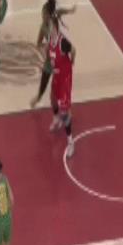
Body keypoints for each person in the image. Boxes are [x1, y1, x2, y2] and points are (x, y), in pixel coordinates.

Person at [30, 0, 75, 108]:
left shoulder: (54, 19)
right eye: (42, 14)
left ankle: (61, 101)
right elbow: (38, 43)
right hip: (50, 57)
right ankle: (39, 97)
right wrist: (45, 46)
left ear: (48, 14)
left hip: (59, 54)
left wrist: (70, 10)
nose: (42, 16)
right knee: (45, 79)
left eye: (44, 14)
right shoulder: (42, 28)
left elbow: (60, 11)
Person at [47, 14, 76, 157]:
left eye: (51, 26)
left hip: (65, 78)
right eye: (48, 26)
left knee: (65, 113)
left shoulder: (62, 42)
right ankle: (56, 118)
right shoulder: (50, 41)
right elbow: (50, 56)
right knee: (52, 99)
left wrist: (72, 63)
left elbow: (73, 50)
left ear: (56, 27)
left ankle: (70, 142)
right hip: (57, 75)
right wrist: (50, 66)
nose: (49, 28)